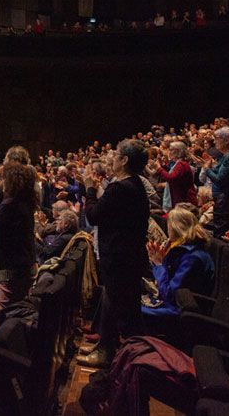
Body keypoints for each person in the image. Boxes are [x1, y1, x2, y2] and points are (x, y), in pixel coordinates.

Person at [79, 140, 151, 368]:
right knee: (112, 303)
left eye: (117, 155)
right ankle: (105, 348)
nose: (112, 158)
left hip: (119, 258)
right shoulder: (135, 184)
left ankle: (116, 358)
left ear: (125, 160)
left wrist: (90, 190)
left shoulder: (120, 188)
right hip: (127, 257)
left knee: (123, 311)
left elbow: (93, 215)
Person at [143, 208, 215, 318]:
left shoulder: (191, 258)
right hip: (173, 303)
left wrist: (159, 265)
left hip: (178, 309)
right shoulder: (189, 249)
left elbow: (169, 294)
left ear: (174, 228)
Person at [0, 160, 38, 323]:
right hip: (24, 263)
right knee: (18, 310)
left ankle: (6, 339)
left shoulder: (9, 206)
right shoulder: (25, 201)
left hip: (12, 267)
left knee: (6, 313)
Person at [157, 141, 197, 209]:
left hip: (184, 200)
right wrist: (162, 166)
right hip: (181, 199)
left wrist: (159, 169)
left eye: (171, 150)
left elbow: (171, 178)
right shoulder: (180, 163)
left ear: (178, 151)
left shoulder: (181, 164)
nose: (169, 152)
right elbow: (172, 173)